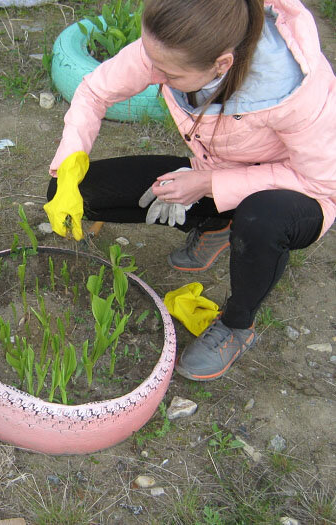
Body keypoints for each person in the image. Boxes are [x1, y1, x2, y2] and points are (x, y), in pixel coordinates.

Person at [45, 0, 336, 381]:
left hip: (297, 196)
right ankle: (217, 225)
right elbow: (94, 91)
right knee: (78, 192)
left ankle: (236, 325)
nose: (155, 75)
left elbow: (323, 181)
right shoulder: (175, 43)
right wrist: (69, 167)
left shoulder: (294, 92)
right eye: (151, 60)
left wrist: (208, 184)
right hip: (214, 173)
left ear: (222, 65)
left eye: (168, 73)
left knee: (261, 221)